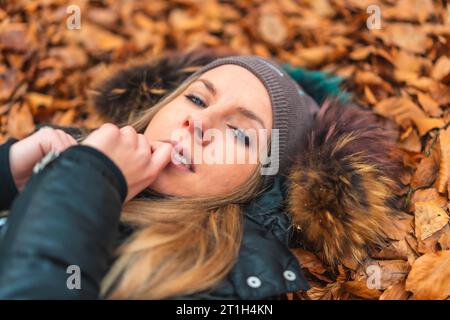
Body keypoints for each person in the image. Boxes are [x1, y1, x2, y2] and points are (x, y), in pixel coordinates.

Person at [0, 53, 403, 299]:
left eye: (241, 133)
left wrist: (87, 181)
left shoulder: (212, 283)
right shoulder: (62, 156)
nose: (199, 122)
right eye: (196, 97)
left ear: (261, 182)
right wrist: (6, 177)